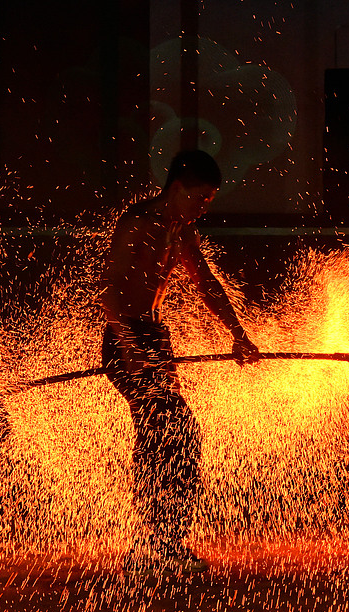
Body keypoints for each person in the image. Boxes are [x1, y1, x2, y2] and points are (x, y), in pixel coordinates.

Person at [100, 149, 260, 575]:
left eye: (210, 200)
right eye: (200, 198)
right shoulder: (138, 223)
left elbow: (206, 283)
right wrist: (130, 349)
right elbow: (111, 292)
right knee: (174, 427)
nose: (203, 207)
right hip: (127, 341)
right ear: (176, 188)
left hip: (154, 339)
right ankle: (156, 543)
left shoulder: (181, 232)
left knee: (168, 436)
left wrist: (237, 332)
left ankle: (158, 542)